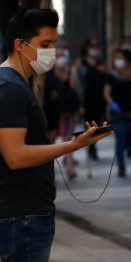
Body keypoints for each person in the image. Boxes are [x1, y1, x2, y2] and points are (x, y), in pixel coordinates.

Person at [0, 9, 113, 262]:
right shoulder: (8, 88)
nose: (52, 51)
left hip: (25, 209)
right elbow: (15, 155)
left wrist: (75, 139)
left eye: (54, 43)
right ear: (20, 45)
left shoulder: (16, 84)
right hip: (20, 212)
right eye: (45, 44)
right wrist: (73, 146)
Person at [44, 48, 81, 179]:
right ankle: (50, 169)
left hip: (68, 113)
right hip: (53, 114)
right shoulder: (48, 74)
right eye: (58, 55)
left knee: (68, 140)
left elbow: (75, 89)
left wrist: (71, 71)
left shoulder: (70, 72)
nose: (61, 58)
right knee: (51, 141)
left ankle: (70, 168)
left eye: (62, 55)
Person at [77, 37, 108, 160]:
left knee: (99, 124)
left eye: (97, 46)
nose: (94, 49)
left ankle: (93, 146)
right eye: (92, 46)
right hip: (87, 100)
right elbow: (78, 82)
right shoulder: (81, 63)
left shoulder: (101, 63)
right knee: (89, 125)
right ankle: (91, 148)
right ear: (87, 48)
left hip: (100, 100)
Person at [104, 48, 131, 177]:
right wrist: (111, 103)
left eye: (120, 57)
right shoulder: (112, 76)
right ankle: (121, 166)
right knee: (119, 141)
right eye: (116, 58)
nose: (118, 61)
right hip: (118, 115)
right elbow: (106, 92)